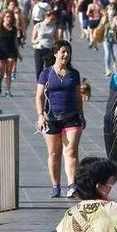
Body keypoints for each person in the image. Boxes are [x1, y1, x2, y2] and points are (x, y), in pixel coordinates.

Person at [35, 40, 85, 198]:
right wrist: (40, 115)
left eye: (68, 52)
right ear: (56, 53)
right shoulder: (46, 73)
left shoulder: (74, 74)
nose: (65, 55)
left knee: (71, 151)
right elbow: (39, 96)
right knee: (54, 153)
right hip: (51, 118)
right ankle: (56, 186)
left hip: (71, 117)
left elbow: (78, 97)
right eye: (62, 51)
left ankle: (72, 185)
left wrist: (81, 114)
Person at [0, 11, 20, 97]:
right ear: (3, 18)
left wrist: (18, 53)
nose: (9, 18)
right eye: (7, 16)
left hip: (11, 51)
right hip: (0, 50)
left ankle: (8, 90)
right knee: (1, 71)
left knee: (9, 71)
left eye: (10, 17)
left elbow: (15, 42)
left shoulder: (14, 29)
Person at [31, 9, 62, 80]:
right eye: (51, 18)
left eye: (54, 19)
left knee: (49, 69)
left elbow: (56, 39)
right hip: (39, 49)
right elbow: (33, 39)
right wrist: (37, 41)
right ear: (46, 17)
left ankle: (48, 85)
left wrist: (59, 46)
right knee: (39, 69)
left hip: (50, 50)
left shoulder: (54, 26)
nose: (53, 20)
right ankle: (39, 85)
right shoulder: (38, 25)